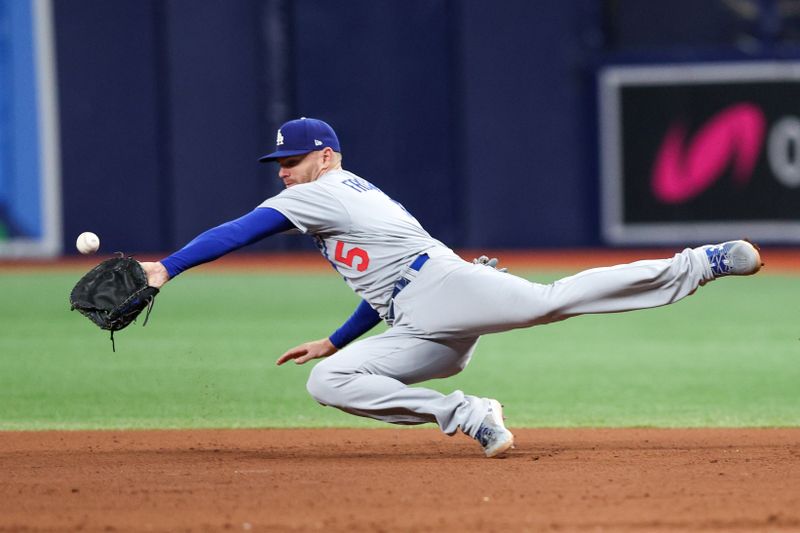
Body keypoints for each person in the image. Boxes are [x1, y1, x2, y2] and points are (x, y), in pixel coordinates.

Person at [140, 117, 762, 458]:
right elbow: (382, 286)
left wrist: (167, 267)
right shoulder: (334, 197)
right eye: (278, 164)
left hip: (442, 288)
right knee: (327, 381)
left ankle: (699, 263)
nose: (284, 172)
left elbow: (242, 229)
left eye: (293, 161)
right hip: (415, 318)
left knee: (552, 302)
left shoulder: (322, 192)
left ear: (325, 157)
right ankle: (468, 415)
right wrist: (335, 340)